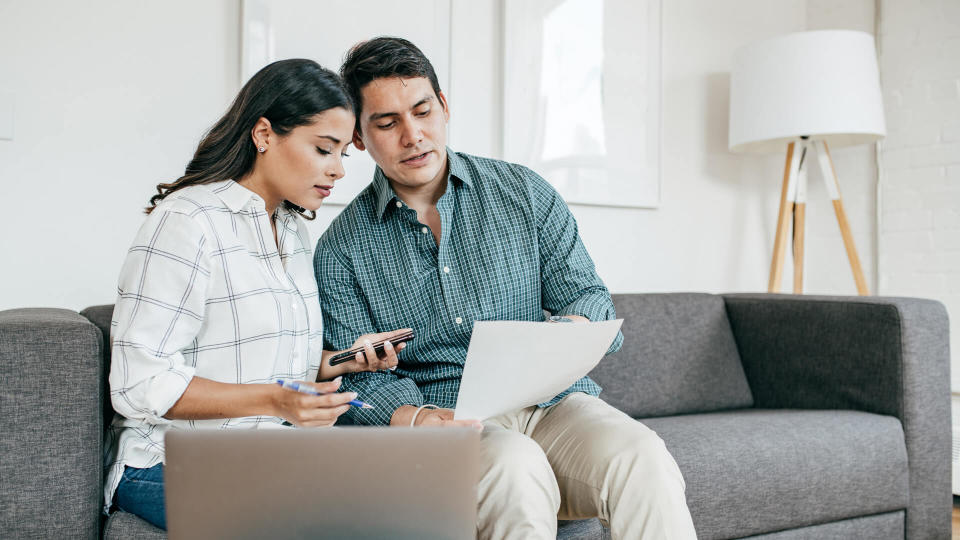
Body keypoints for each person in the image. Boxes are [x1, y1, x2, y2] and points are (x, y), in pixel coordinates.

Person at [314, 37, 698, 539]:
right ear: (360, 138)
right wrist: (417, 418)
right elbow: (354, 381)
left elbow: (587, 297)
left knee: (642, 456)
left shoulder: (524, 192)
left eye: (423, 111)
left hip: (554, 403)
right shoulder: (341, 249)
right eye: (387, 123)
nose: (413, 135)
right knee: (515, 467)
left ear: (444, 106)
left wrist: (566, 334)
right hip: (449, 419)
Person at [104, 59, 409, 530]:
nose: (337, 171)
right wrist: (274, 402)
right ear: (264, 134)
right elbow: (139, 384)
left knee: (408, 494)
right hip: (168, 463)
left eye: (342, 155)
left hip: (267, 452)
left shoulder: (290, 229)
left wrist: (344, 360)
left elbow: (275, 367)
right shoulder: (187, 223)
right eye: (324, 149)